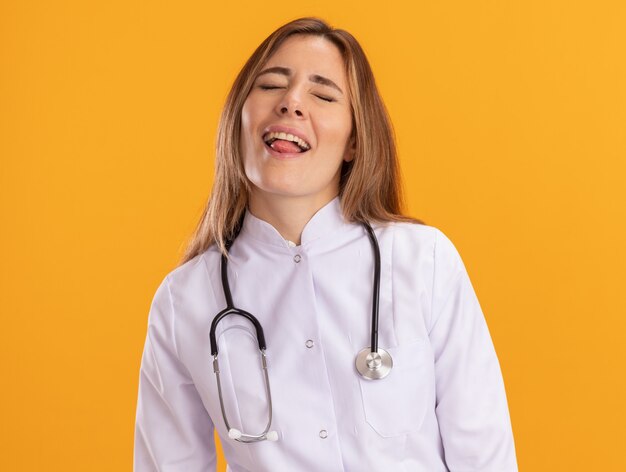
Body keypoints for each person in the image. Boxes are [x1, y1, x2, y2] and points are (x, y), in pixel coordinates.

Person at [133, 17, 518, 471]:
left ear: (354, 139)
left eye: (322, 94)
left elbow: (485, 458)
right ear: (238, 116)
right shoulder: (184, 302)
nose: (291, 103)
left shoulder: (425, 262)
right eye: (272, 85)